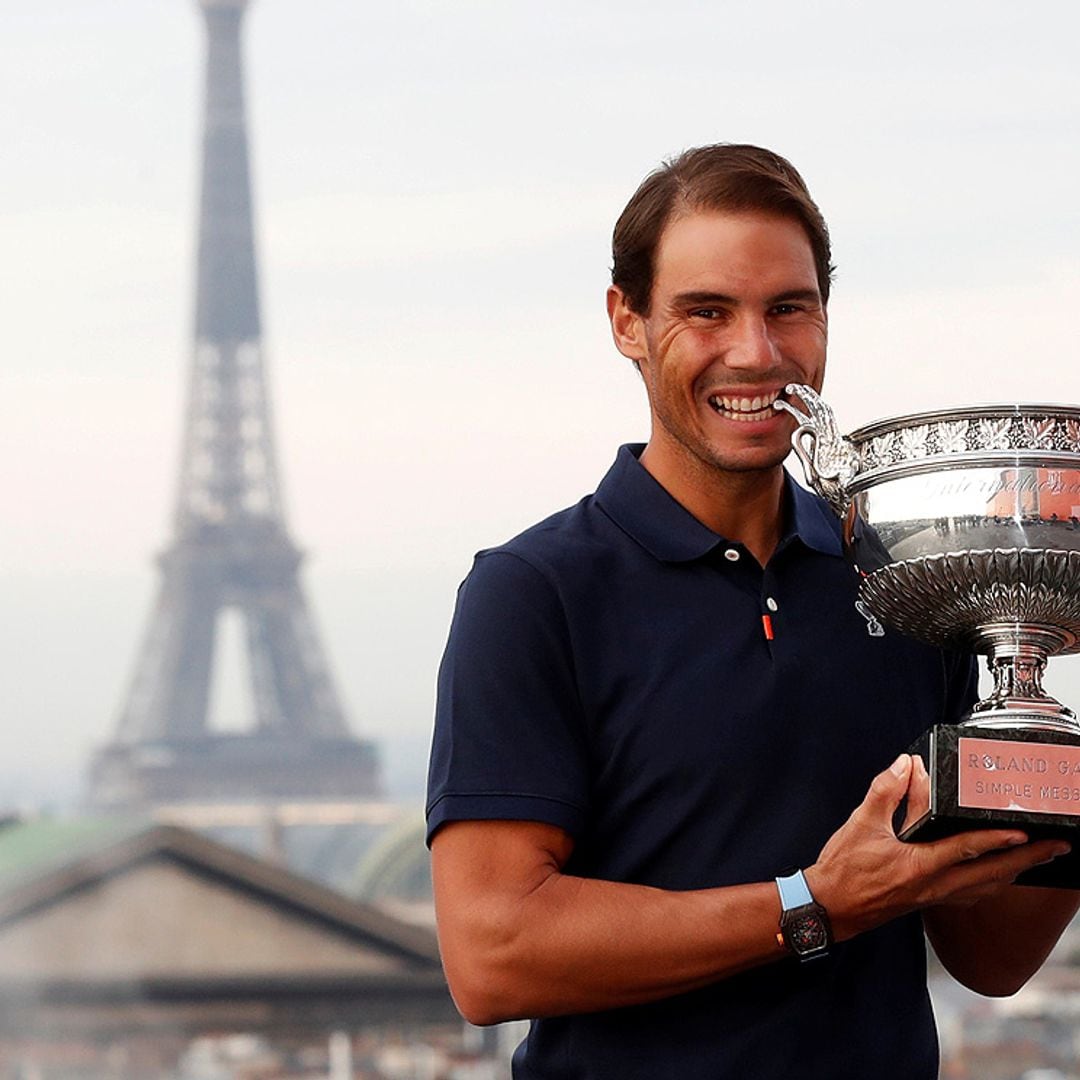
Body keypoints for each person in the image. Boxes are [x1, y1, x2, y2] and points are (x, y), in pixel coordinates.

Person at [425, 144, 1079, 1078]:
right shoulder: (534, 595)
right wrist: (814, 904)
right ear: (627, 321)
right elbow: (492, 958)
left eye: (788, 309)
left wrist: (1063, 798)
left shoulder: (905, 578)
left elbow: (991, 957)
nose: (756, 353)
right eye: (706, 311)